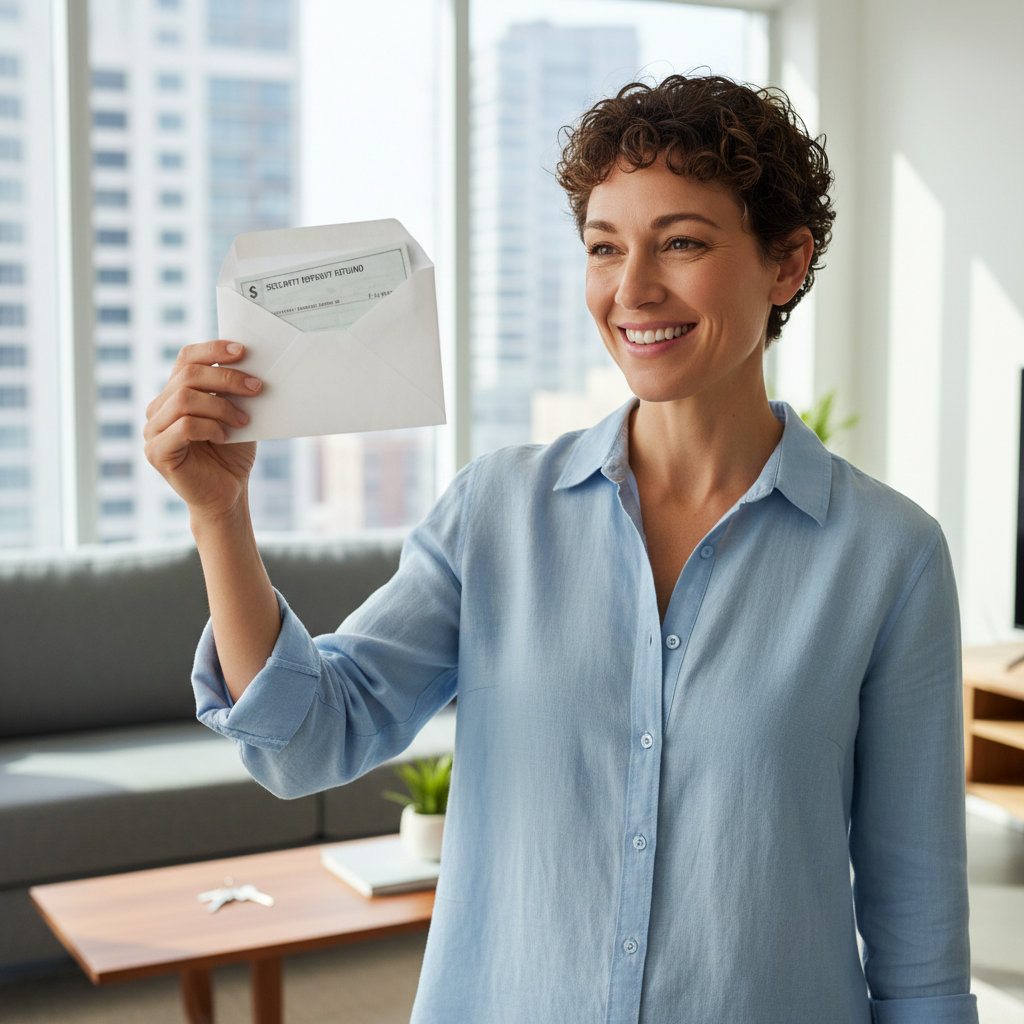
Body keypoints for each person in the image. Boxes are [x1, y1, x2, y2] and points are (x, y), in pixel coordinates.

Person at [144, 75, 977, 1024]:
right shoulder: (497, 513)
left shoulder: (889, 557)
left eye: (683, 243)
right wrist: (221, 514)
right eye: (604, 248)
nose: (632, 291)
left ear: (787, 264)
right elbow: (305, 742)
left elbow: (918, 941)